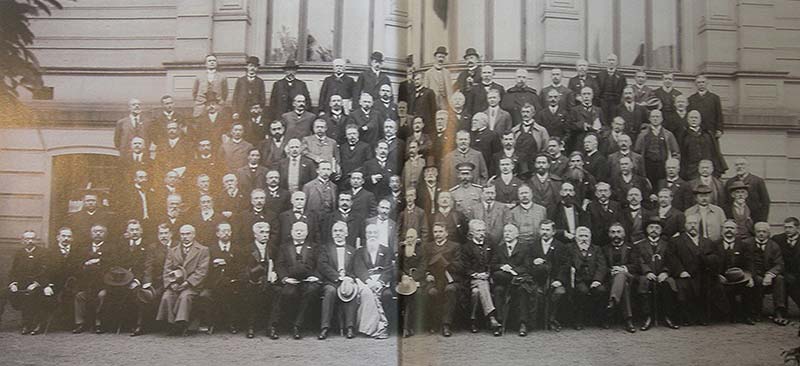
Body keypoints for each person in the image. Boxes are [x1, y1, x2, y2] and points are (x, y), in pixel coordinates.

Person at [156, 224, 210, 335]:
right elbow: (167, 269)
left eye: (188, 234)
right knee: (167, 296)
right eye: (182, 234)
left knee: (185, 296)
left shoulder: (203, 250)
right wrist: (171, 284)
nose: (185, 236)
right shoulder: (173, 250)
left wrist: (187, 283)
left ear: (194, 235)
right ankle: (171, 325)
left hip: (192, 285)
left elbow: (202, 271)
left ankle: (182, 324)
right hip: (175, 283)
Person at [274, 221, 320, 340]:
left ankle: (297, 326)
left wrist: (315, 276)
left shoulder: (314, 247)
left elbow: (319, 264)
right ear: (291, 232)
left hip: (308, 280)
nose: (299, 232)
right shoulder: (284, 247)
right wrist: (285, 278)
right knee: (288, 293)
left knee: (310, 292)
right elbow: (279, 265)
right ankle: (279, 324)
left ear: (307, 232)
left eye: (302, 230)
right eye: (296, 230)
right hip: (291, 280)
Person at [197, 222, 243, 335]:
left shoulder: (237, 249)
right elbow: (205, 269)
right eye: (223, 231)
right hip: (213, 284)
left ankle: (232, 323)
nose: (226, 233)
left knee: (231, 293)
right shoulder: (210, 249)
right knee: (205, 295)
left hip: (232, 283)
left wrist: (227, 263)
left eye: (228, 230)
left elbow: (241, 267)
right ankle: (211, 323)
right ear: (217, 233)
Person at [634, 217, 680, 330]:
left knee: (668, 285)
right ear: (646, 229)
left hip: (663, 274)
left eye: (657, 228)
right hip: (646, 274)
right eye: (651, 227)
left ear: (661, 230)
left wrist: (665, 272)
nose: (654, 230)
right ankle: (647, 317)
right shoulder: (639, 245)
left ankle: (668, 316)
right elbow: (639, 261)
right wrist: (647, 271)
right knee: (645, 283)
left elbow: (671, 260)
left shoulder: (668, 244)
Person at [669, 214, 716, 326]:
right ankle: (687, 317)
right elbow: (672, 258)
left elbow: (712, 257)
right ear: (685, 225)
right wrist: (681, 271)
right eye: (690, 223)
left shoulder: (706, 241)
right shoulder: (676, 241)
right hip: (685, 273)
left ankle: (703, 317)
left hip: (702, 273)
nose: (692, 226)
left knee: (707, 286)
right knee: (684, 287)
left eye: (695, 223)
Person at [72, 224, 118, 334]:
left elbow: (114, 264)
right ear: (91, 234)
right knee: (79, 296)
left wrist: (99, 261)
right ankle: (80, 323)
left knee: (102, 296)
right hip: (87, 283)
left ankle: (99, 323)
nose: (98, 234)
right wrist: (86, 264)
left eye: (101, 231)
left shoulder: (112, 248)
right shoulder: (83, 248)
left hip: (104, 283)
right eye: (95, 231)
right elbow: (77, 265)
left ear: (105, 234)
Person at [240, 222, 281, 339]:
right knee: (251, 293)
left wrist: (275, 274)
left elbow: (278, 264)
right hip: (252, 282)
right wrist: (251, 278)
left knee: (278, 292)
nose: (265, 235)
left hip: (269, 282)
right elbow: (242, 270)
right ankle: (250, 326)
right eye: (261, 232)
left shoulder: (273, 248)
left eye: (267, 232)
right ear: (255, 235)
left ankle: (271, 327)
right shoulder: (246, 249)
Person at [352, 224, 394, 338]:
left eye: (374, 233)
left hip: (381, 282)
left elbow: (388, 269)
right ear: (365, 235)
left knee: (386, 295)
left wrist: (380, 282)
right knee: (367, 294)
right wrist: (369, 281)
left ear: (378, 234)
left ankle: (384, 327)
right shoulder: (360, 251)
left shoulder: (386, 250)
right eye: (369, 233)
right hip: (366, 282)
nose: (372, 235)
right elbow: (358, 268)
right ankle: (370, 328)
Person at [491, 224, 532, 336]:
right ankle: (499, 323)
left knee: (522, 290)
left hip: (518, 279)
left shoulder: (524, 248)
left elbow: (527, 267)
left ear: (517, 234)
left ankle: (523, 324)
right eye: (505, 231)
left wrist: (512, 270)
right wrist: (502, 266)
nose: (507, 234)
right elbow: (493, 265)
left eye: (510, 231)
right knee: (498, 290)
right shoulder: (499, 248)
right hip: (503, 282)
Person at [529, 220, 569, 332]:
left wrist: (559, 280)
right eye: (542, 229)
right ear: (539, 230)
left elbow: (565, 266)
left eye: (547, 230)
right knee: (535, 292)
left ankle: (552, 319)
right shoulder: (533, 245)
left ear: (554, 232)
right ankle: (535, 322)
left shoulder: (561, 246)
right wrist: (533, 262)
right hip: (537, 280)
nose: (545, 232)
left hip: (555, 280)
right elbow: (527, 263)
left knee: (559, 292)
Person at [462, 219, 501, 335]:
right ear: (471, 233)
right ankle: (492, 318)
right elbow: (465, 267)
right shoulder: (466, 247)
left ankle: (473, 320)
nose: (482, 233)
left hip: (489, 278)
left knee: (476, 292)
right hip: (471, 279)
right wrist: (476, 274)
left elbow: (495, 260)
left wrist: (487, 273)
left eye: (483, 230)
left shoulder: (490, 244)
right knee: (479, 284)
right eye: (478, 231)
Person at [745, 222, 788, 325]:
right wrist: (750, 275)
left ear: (768, 233)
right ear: (754, 232)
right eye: (758, 231)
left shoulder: (774, 246)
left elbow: (779, 264)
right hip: (753, 274)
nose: (761, 234)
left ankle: (778, 312)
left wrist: (770, 274)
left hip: (768, 274)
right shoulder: (746, 244)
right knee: (758, 280)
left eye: (764, 232)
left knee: (780, 279)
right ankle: (756, 311)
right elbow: (744, 263)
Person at [5, 230, 48, 335]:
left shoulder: (42, 253)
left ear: (36, 240)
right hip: (21, 283)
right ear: (22, 240)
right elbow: (13, 270)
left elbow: (45, 271)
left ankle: (30, 324)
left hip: (36, 283)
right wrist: (13, 284)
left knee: (31, 295)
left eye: (32, 239)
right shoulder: (19, 253)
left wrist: (36, 283)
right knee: (4, 294)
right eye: (27, 239)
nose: (30, 241)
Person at [568, 226, 608, 330]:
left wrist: (597, 280)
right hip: (578, 280)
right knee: (582, 291)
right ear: (576, 237)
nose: (584, 239)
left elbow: (602, 266)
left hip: (594, 279)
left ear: (590, 237)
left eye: (586, 236)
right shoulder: (569, 248)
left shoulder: (596, 249)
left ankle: (601, 319)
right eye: (581, 236)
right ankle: (578, 320)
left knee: (601, 290)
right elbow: (567, 265)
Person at [717, 220, 756, 325]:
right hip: (721, 278)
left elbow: (749, 263)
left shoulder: (743, 245)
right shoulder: (715, 245)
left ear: (737, 231)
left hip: (740, 278)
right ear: (722, 230)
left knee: (748, 286)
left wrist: (749, 277)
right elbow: (711, 264)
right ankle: (728, 314)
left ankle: (747, 316)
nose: (729, 230)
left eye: (732, 228)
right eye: (726, 228)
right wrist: (717, 275)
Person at [602, 223, 639, 333]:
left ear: (624, 234)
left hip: (630, 277)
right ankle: (628, 320)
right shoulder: (604, 249)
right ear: (609, 234)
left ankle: (612, 305)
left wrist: (623, 268)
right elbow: (602, 266)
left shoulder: (631, 248)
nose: (616, 234)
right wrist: (611, 271)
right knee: (624, 286)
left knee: (622, 275)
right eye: (612, 232)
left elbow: (636, 265)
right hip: (611, 279)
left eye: (619, 232)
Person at [634, 109, 680, 185]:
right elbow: (637, 153)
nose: (655, 119)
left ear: (661, 119)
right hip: (648, 166)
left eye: (657, 117)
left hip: (663, 166)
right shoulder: (643, 135)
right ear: (649, 119)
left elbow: (675, 152)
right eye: (653, 117)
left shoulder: (668, 135)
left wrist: (672, 165)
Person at [724, 157, 771, 223]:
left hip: (754, 219)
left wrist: (762, 220)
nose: (739, 166)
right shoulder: (730, 182)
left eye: (742, 164)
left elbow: (765, 202)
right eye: (737, 165)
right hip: (735, 219)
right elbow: (726, 202)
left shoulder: (757, 181)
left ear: (747, 166)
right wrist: (729, 218)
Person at [687, 75, 724, 139]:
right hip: (696, 129)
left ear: (707, 84)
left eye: (703, 82)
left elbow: (719, 114)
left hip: (711, 129)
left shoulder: (714, 98)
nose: (701, 84)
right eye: (699, 82)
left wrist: (719, 129)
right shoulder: (691, 99)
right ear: (696, 84)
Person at [231, 56, 266, 120]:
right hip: (241, 110)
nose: (252, 68)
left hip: (254, 111)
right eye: (250, 66)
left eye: (255, 66)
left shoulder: (260, 81)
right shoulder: (240, 80)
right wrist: (235, 112)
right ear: (247, 67)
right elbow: (235, 97)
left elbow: (262, 98)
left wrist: (260, 111)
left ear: (257, 68)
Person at [596, 53, 627, 123]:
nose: (611, 62)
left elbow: (623, 91)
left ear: (616, 62)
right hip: (602, 103)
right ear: (606, 62)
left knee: (614, 121)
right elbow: (596, 91)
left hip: (615, 103)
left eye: (613, 60)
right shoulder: (600, 75)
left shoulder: (621, 76)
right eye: (609, 60)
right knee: (602, 120)